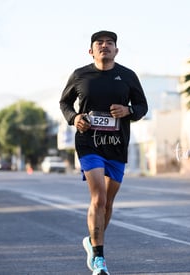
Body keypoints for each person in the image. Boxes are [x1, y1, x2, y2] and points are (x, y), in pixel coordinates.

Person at [59, 30, 148, 275]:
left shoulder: (128, 76)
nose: (105, 46)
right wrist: (74, 117)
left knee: (108, 203)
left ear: (116, 50)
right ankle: (99, 259)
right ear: (91, 50)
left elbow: (142, 106)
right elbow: (64, 103)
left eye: (110, 43)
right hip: (89, 142)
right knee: (98, 198)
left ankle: (92, 241)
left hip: (117, 144)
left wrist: (128, 110)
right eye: (99, 43)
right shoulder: (80, 75)